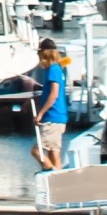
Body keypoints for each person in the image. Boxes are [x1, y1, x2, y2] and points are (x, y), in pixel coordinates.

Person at [31, 37, 70, 170]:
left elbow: (54, 94)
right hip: (59, 117)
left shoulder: (53, 69)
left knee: (37, 151)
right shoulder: (57, 68)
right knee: (54, 152)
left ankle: (50, 174)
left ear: (44, 54)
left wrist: (40, 114)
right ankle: (59, 179)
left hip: (52, 117)